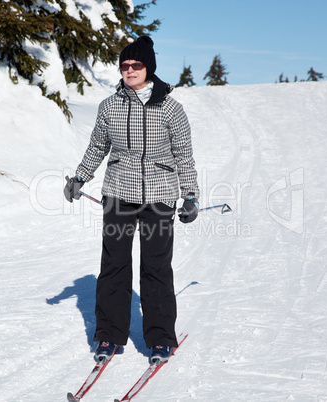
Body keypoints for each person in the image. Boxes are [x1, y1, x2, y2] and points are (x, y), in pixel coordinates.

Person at [64, 36, 199, 363]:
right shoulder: (110, 105)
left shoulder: (170, 108)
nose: (129, 71)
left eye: (135, 65)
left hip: (159, 196)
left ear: (148, 68)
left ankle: (161, 338)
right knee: (113, 266)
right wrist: (80, 177)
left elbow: (184, 156)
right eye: (124, 66)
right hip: (118, 194)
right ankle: (108, 336)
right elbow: (98, 146)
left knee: (155, 267)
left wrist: (190, 196)